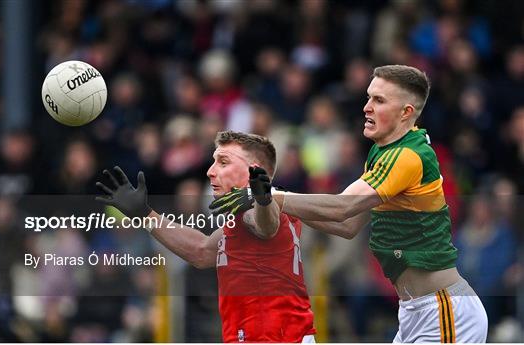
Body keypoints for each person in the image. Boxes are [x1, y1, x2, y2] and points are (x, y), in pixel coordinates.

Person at [210, 65, 488, 343]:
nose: (367, 107)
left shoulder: (406, 156)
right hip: (414, 311)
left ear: (406, 112)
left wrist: (270, 196)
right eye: (369, 97)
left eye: (379, 100)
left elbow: (342, 207)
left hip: (444, 312)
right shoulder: (383, 152)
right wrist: (269, 201)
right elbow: (347, 225)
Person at [95, 131, 316, 343]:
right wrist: (145, 215)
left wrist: (262, 200)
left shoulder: (260, 207)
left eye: (223, 162)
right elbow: (200, 251)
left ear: (252, 170)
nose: (211, 171)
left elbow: (265, 225)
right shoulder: (245, 215)